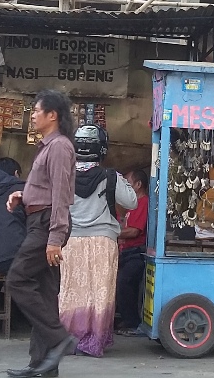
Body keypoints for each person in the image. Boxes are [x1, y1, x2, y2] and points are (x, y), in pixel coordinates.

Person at [5, 90, 77, 378]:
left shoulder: (59, 146)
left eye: (36, 110)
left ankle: (60, 338)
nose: (32, 115)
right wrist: (23, 195)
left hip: (48, 224)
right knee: (46, 295)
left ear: (52, 115)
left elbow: (61, 195)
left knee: (17, 279)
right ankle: (43, 366)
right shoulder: (48, 146)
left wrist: (55, 238)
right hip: (40, 218)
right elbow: (48, 188)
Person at [58, 125, 137, 357]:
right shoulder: (110, 176)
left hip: (71, 240)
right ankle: (94, 342)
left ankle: (70, 339)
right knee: (100, 291)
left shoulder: (64, 174)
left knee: (71, 290)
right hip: (104, 241)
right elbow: (131, 201)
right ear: (101, 149)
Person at [114, 168, 149, 336]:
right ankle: (126, 319)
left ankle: (133, 323)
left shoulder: (143, 203)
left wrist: (110, 231)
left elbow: (134, 231)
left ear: (138, 185)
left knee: (125, 284)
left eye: (128, 184)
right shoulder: (132, 205)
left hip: (136, 253)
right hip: (127, 251)